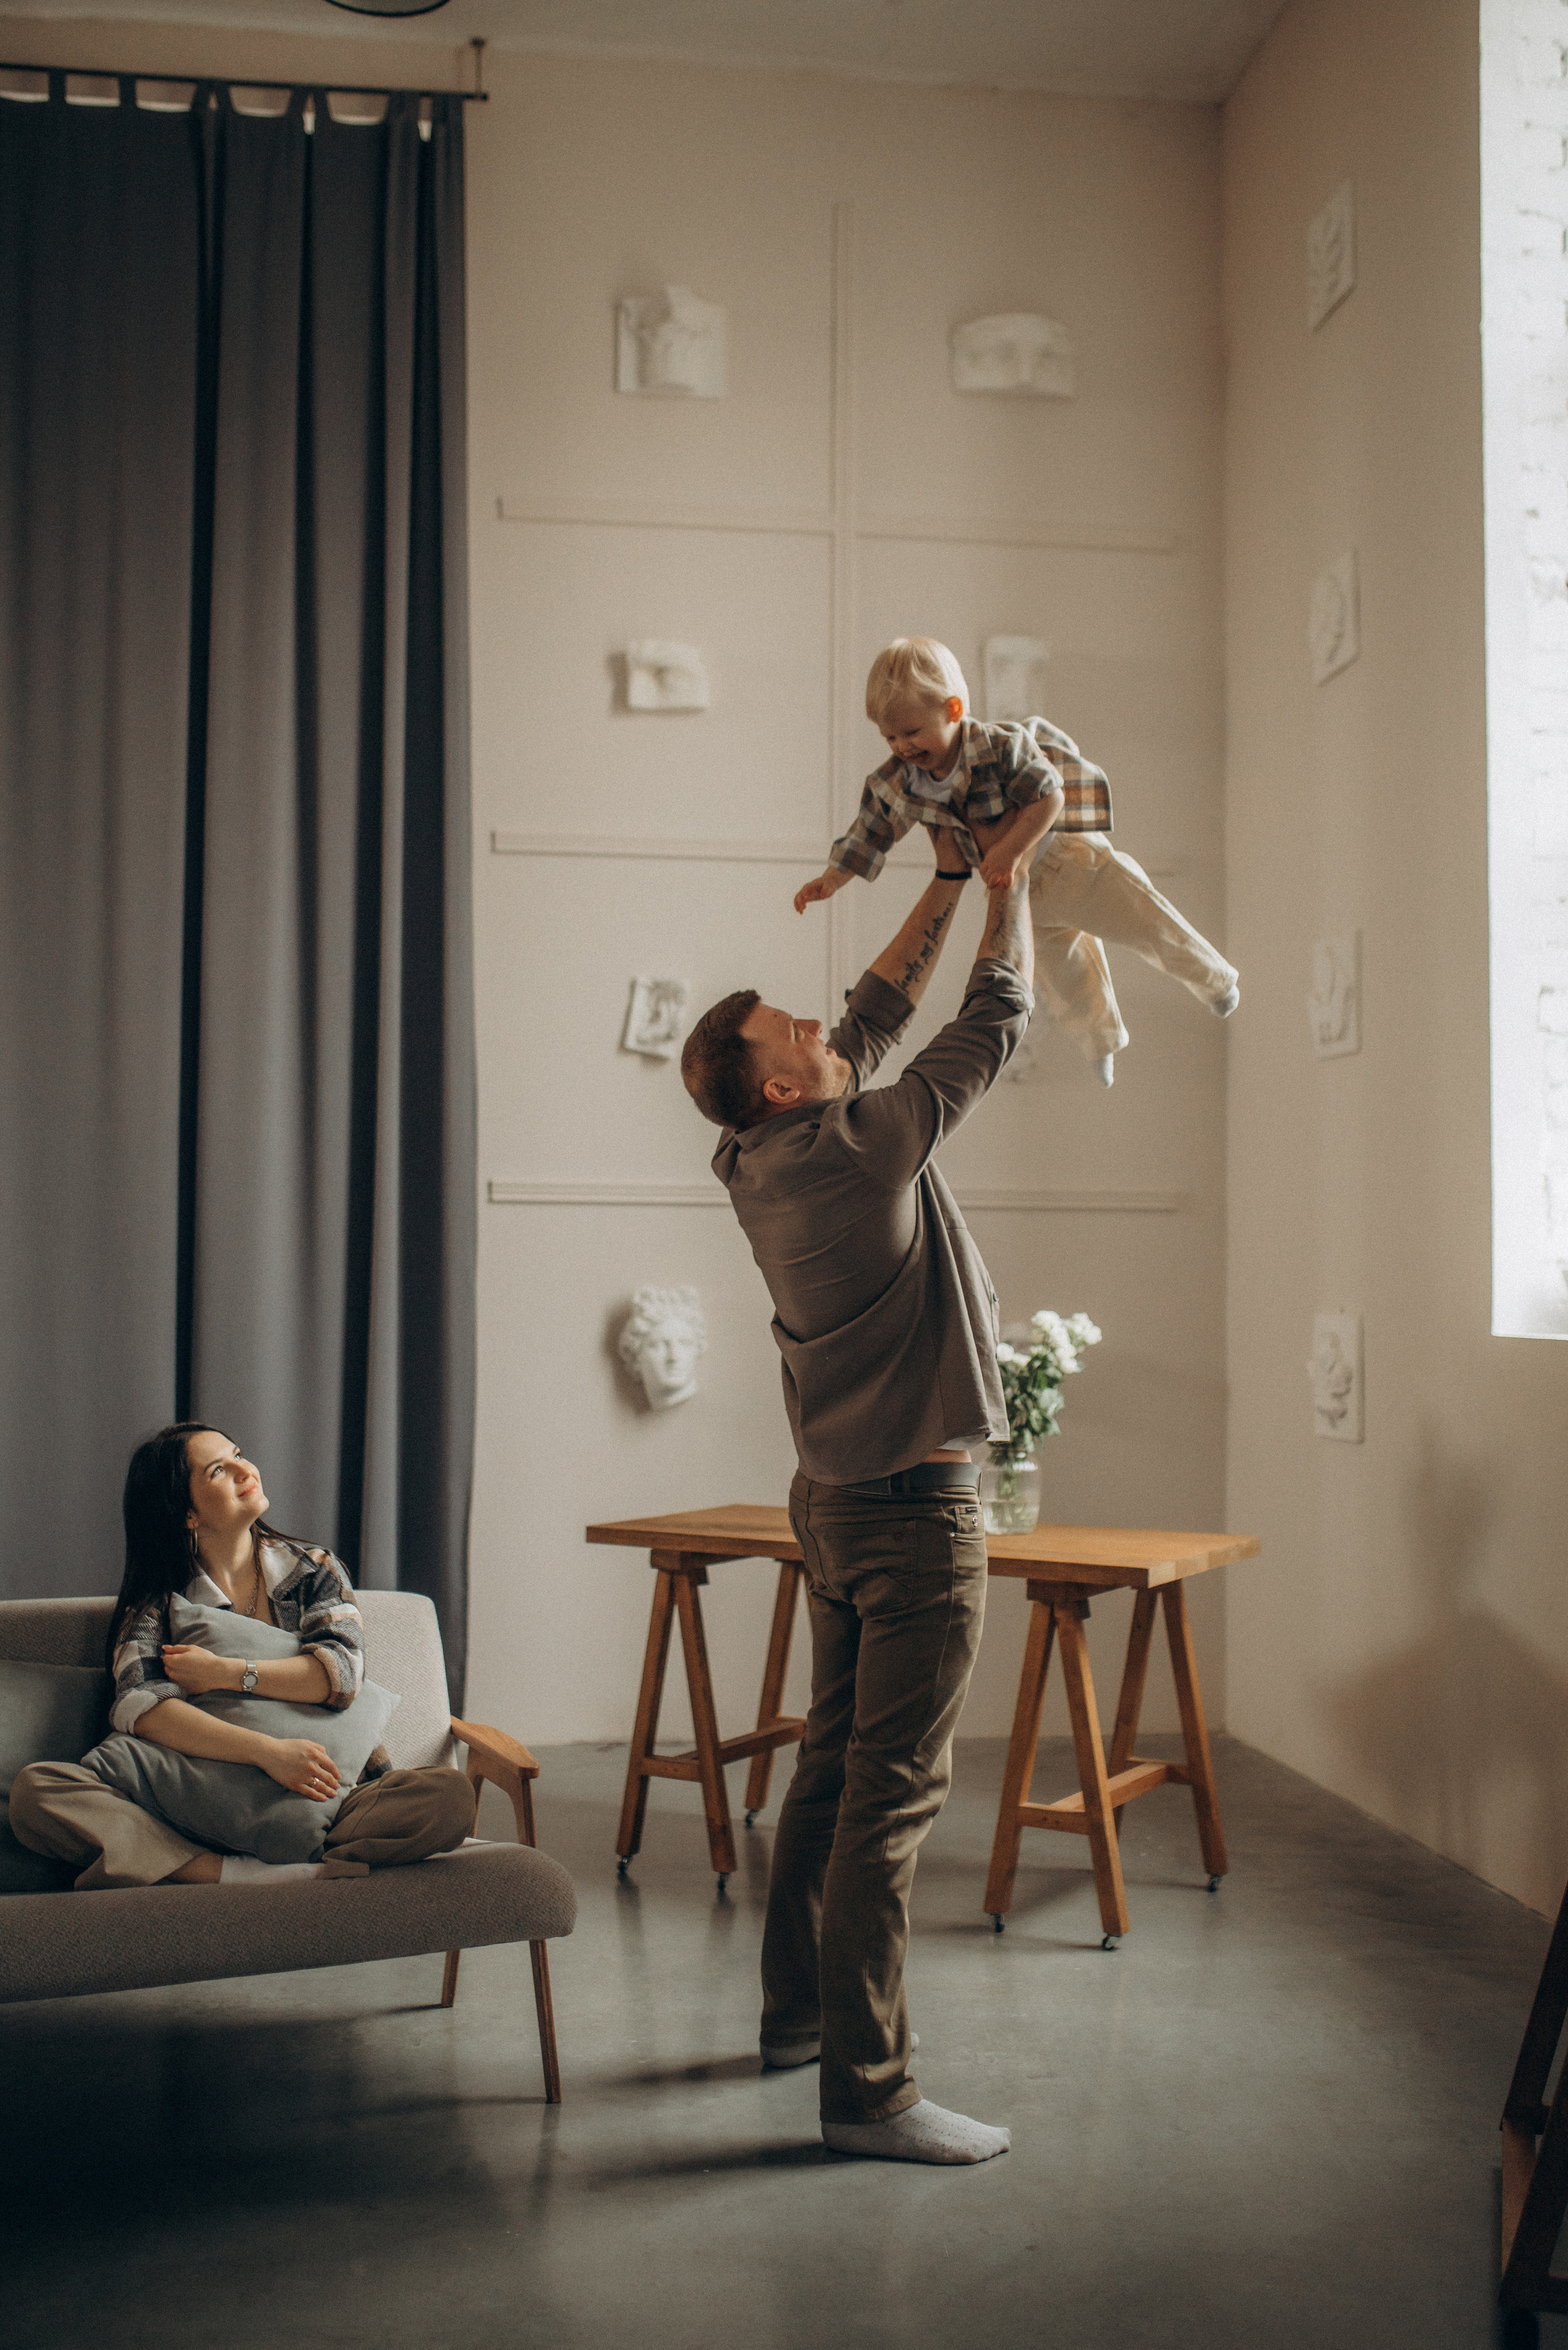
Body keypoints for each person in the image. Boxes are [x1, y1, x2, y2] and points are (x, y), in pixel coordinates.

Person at [679, 826, 1033, 2167]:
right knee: (887, 1798)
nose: (829, 1023)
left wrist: (942, 874)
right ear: (780, 1086)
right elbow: (991, 1020)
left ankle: (792, 2020)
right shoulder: (859, 1143)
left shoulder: (754, 1156)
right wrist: (1008, 888)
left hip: (830, 1505)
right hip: (914, 1515)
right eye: (799, 1032)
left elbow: (873, 1017)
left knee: (827, 1775)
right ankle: (868, 2090)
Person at [8, 1423, 475, 1889]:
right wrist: (269, 1753)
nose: (243, 1468)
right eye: (218, 1469)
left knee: (448, 1798)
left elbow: (340, 1674)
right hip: (195, 1808)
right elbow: (144, 1710)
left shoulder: (313, 1569)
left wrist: (223, 1673)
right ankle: (232, 1872)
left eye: (238, 1454)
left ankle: (296, 1848)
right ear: (187, 1512)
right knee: (35, 1794)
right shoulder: (157, 1602)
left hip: (330, 1797)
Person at [793, 636, 1240, 1086]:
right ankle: (1102, 1042)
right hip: (1019, 893)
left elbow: (1050, 796)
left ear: (952, 711)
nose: (902, 746)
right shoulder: (902, 779)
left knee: (1147, 921)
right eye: (889, 736)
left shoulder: (998, 746)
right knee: (1067, 977)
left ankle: (1216, 981)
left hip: (1069, 862)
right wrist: (833, 878)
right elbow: (871, 828)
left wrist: (1010, 849)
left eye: (911, 732)